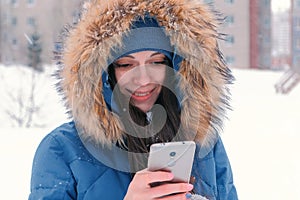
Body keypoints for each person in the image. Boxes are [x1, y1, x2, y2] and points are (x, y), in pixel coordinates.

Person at [29, 0, 238, 199]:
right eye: (126, 65)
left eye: (156, 61)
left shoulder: (205, 145)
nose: (143, 79)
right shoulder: (62, 149)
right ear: (105, 74)